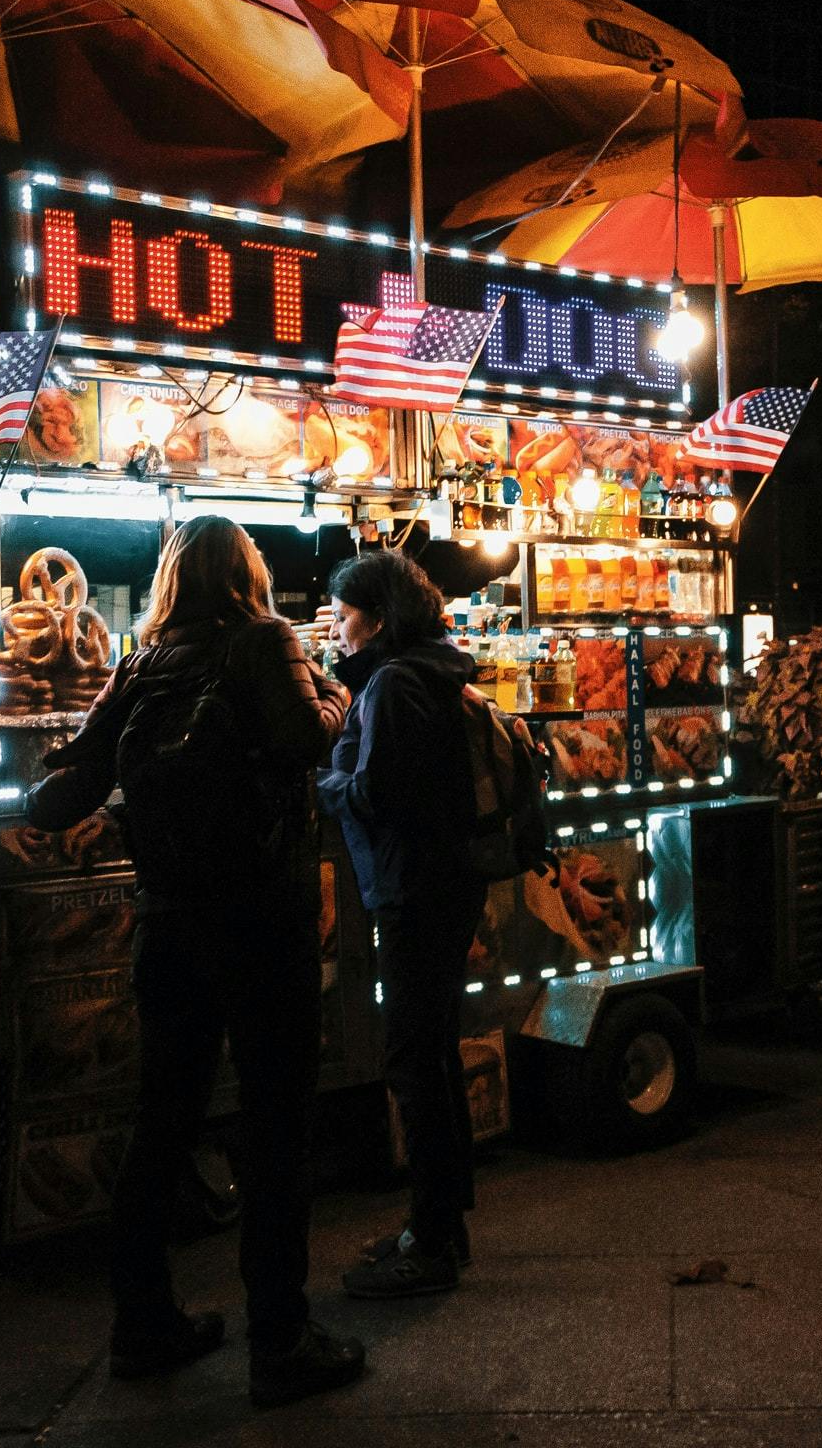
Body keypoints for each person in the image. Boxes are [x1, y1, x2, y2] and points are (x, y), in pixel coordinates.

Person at [28, 515, 364, 1409]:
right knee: (273, 1125)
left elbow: (65, 791)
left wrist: (11, 788)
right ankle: (280, 1340)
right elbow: (304, 740)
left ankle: (143, 1326)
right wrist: (334, 697)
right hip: (262, 920)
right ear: (245, 574)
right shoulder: (267, 641)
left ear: (172, 580)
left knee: (162, 1123)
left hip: (169, 925)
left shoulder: (138, 667)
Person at [316, 549, 487, 1298]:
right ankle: (439, 1225)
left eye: (348, 616)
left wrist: (323, 783)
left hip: (412, 888)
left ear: (379, 617)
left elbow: (377, 794)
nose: (341, 631)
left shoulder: (392, 683)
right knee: (435, 1055)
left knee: (414, 1062)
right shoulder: (434, 670)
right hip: (446, 884)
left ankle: (434, 1244)